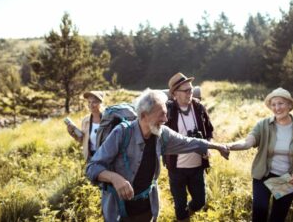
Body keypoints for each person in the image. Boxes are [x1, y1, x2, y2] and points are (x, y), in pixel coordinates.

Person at [86, 89, 229, 222]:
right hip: (118, 211)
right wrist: (115, 178)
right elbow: (92, 167)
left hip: (147, 207)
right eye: (161, 114)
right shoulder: (122, 133)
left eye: (166, 113)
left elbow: (188, 142)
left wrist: (217, 146)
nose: (166, 119)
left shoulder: (162, 134)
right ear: (143, 115)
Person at [226, 87, 293, 222]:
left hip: (288, 179)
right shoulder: (263, 125)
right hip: (264, 175)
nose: (277, 108)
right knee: (260, 210)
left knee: (278, 217)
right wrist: (228, 146)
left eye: (280, 103)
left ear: (289, 105)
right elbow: (247, 142)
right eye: (273, 104)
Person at [163, 72, 213, 221]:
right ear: (175, 94)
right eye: (186, 90)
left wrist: (207, 147)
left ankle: (187, 214)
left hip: (197, 167)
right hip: (176, 168)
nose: (190, 93)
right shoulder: (168, 111)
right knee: (179, 205)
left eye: (191, 89)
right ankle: (182, 217)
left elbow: (209, 130)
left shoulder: (199, 108)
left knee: (199, 202)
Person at [67, 90, 104, 161]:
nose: (90, 105)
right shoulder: (85, 121)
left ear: (100, 103)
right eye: (89, 102)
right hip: (91, 157)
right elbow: (83, 141)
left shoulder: (108, 119)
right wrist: (72, 133)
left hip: (106, 157)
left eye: (94, 102)